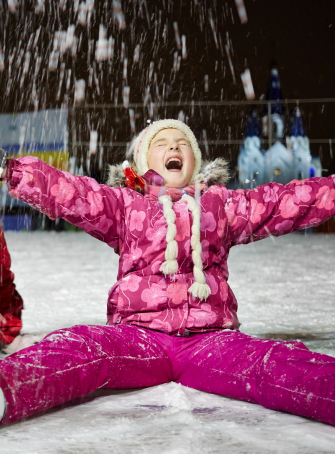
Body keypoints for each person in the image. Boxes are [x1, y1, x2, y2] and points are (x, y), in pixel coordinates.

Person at [0, 119, 335, 426]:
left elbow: (285, 203)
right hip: (136, 337)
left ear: (196, 162)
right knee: (81, 348)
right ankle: (9, 387)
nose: (174, 147)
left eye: (182, 143)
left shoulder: (221, 205)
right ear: (145, 162)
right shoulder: (125, 206)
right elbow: (73, 193)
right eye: (162, 143)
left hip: (211, 340)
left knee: (273, 363)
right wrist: (13, 171)